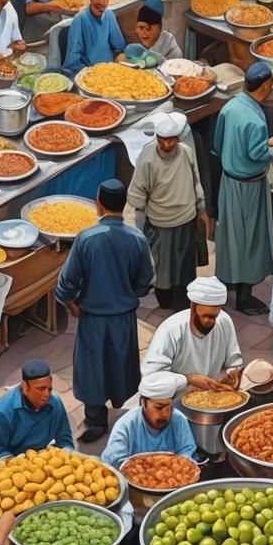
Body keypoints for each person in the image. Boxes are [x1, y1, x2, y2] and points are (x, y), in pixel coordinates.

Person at [55, 180, 154, 442]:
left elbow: (66, 283)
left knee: (93, 369)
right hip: (124, 318)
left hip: (93, 319)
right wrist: (129, 292)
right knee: (120, 364)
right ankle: (123, 408)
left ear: (98, 202)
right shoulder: (137, 239)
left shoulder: (86, 239)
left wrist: (72, 304)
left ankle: (96, 420)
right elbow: (146, 280)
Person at [213, 62, 273, 314]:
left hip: (228, 181)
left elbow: (219, 141)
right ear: (266, 86)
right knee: (249, 240)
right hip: (248, 186)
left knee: (230, 237)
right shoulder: (255, 120)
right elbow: (260, 154)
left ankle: (229, 282)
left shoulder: (230, 106)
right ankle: (244, 297)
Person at [129, 110, 207, 311]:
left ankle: (182, 302)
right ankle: (165, 301)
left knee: (184, 268)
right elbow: (138, 196)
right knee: (162, 269)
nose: (167, 145)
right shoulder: (146, 158)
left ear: (177, 139)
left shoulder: (186, 152)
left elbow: (196, 180)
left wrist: (201, 208)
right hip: (159, 222)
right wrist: (138, 231)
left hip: (186, 219)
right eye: (163, 140)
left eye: (171, 140)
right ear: (157, 138)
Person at [143, 275, 243, 391]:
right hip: (174, 402)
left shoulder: (224, 321)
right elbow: (150, 379)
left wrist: (233, 372)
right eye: (205, 316)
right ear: (193, 307)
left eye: (214, 317)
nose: (209, 321)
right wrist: (187, 379)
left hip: (213, 398)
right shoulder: (170, 330)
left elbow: (234, 362)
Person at [0, 359, 74, 463]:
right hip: (14, 463)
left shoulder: (55, 403)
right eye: (41, 389)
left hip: (43, 460)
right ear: (25, 387)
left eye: (49, 388)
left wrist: (67, 456)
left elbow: (64, 439)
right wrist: (17, 465)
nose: (47, 394)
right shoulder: (2, 412)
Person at [101, 371, 197, 467]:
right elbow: (113, 461)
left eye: (168, 407)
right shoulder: (125, 426)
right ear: (143, 403)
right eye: (159, 407)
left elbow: (187, 449)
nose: (165, 414)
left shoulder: (179, 420)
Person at [61, 0, 126, 77]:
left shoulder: (109, 15)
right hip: (89, 72)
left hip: (110, 69)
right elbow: (73, 59)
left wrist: (122, 54)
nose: (101, 2)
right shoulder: (80, 20)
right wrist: (90, 74)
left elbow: (119, 45)